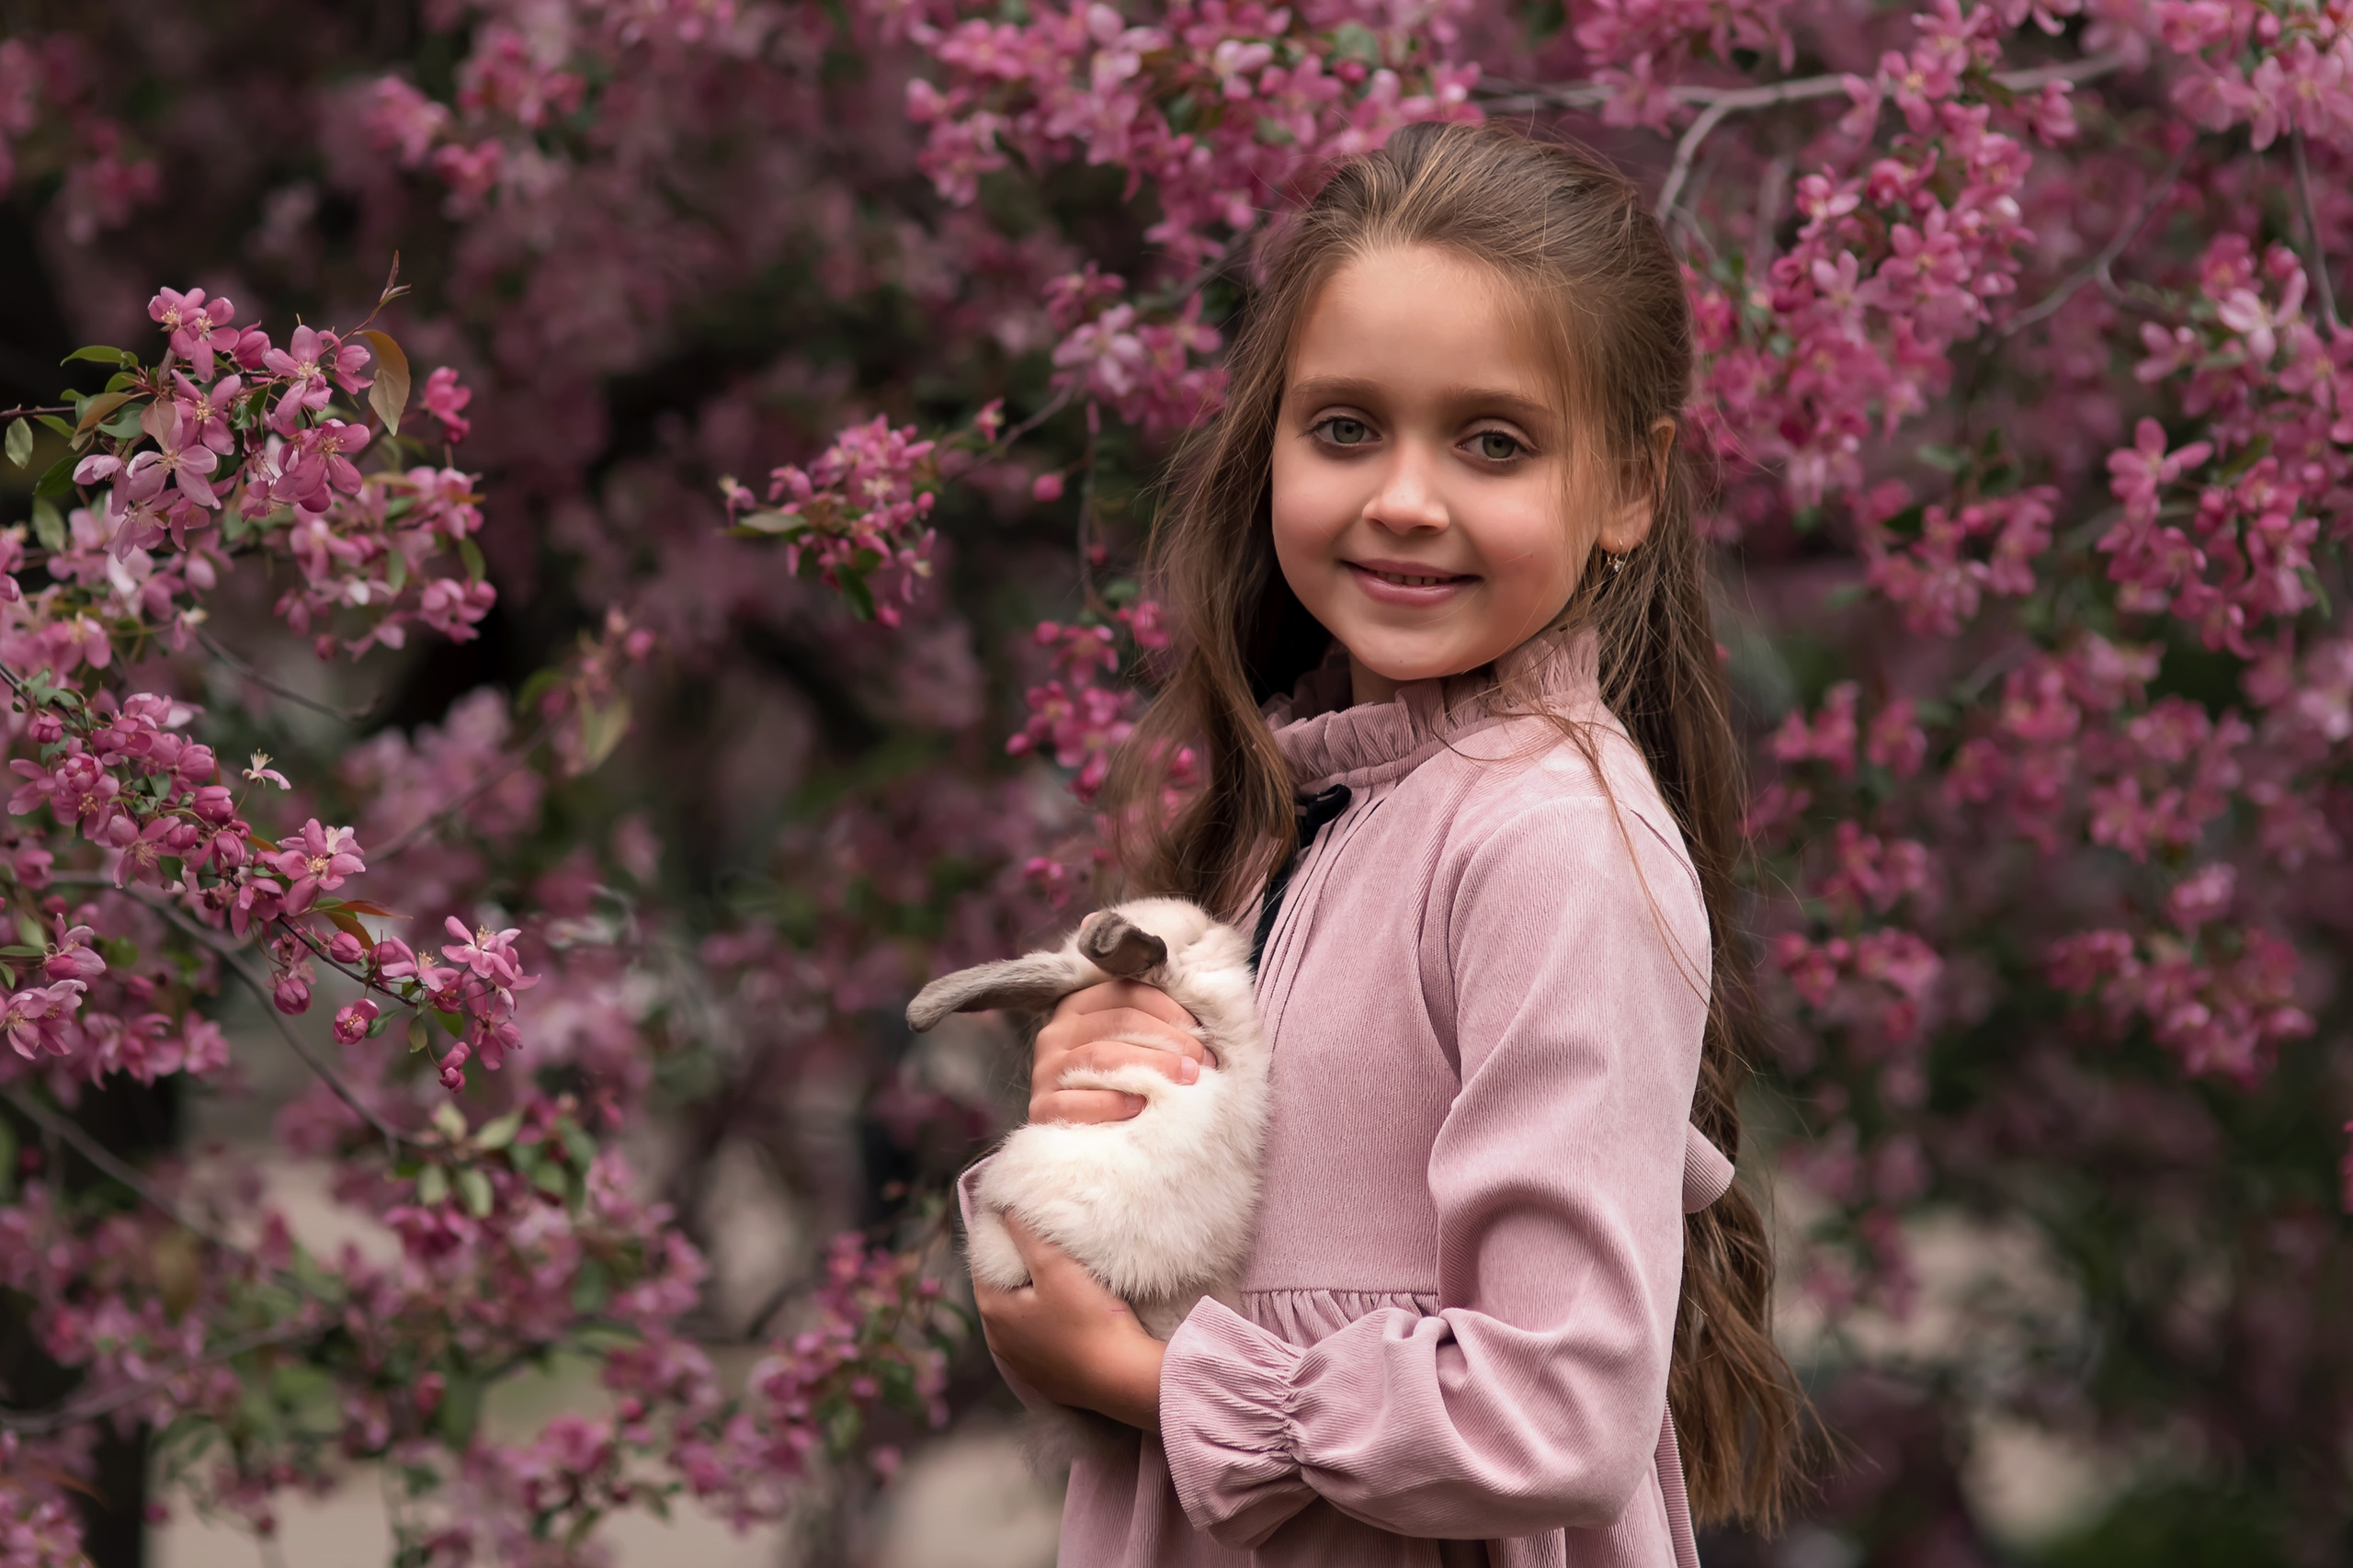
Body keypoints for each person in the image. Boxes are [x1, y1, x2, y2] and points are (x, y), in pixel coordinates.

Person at [964, 120, 1800, 1566]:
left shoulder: (1546, 839)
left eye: (1493, 441)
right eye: (1347, 426)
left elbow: (1561, 1404)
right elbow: (1181, 1287)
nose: (1405, 498)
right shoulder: (1285, 814)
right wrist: (1100, 1107)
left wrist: (1158, 1384)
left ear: (1625, 484)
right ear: (1273, 436)